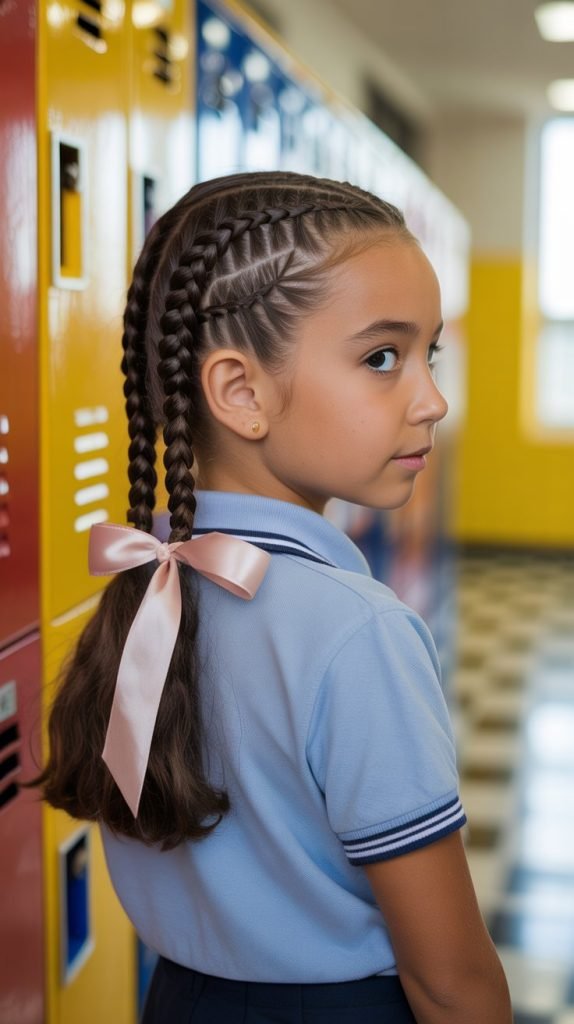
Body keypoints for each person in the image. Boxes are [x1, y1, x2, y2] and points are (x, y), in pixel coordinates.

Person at [33, 171, 512, 1023]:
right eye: (381, 358)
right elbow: (451, 983)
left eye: (427, 354)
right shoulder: (358, 631)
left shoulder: (148, 590)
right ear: (241, 393)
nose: (432, 400)